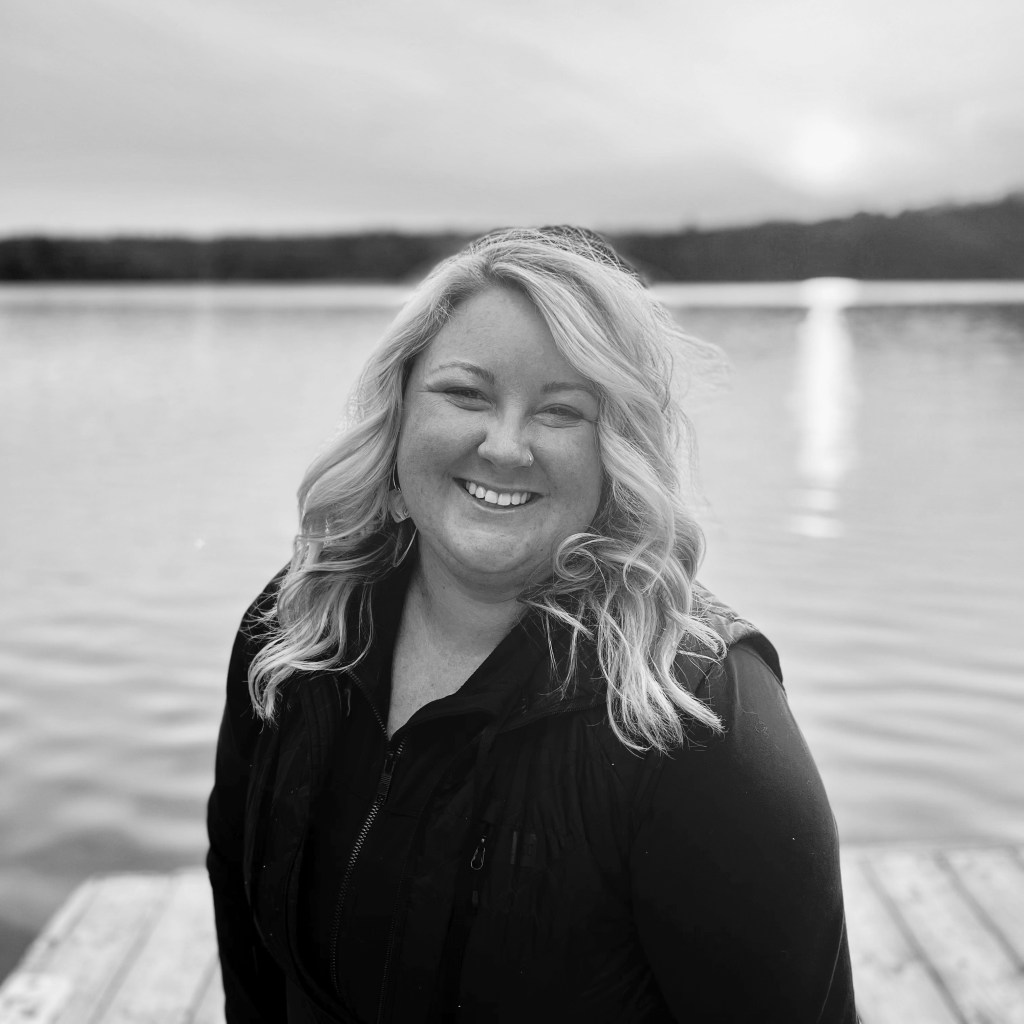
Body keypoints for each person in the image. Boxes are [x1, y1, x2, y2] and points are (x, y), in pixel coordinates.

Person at [207, 226, 858, 1023]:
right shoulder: (299, 626)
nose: (505, 446)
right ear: (399, 411)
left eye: (561, 412)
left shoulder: (700, 714)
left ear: (617, 451)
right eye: (465, 394)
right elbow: (247, 944)